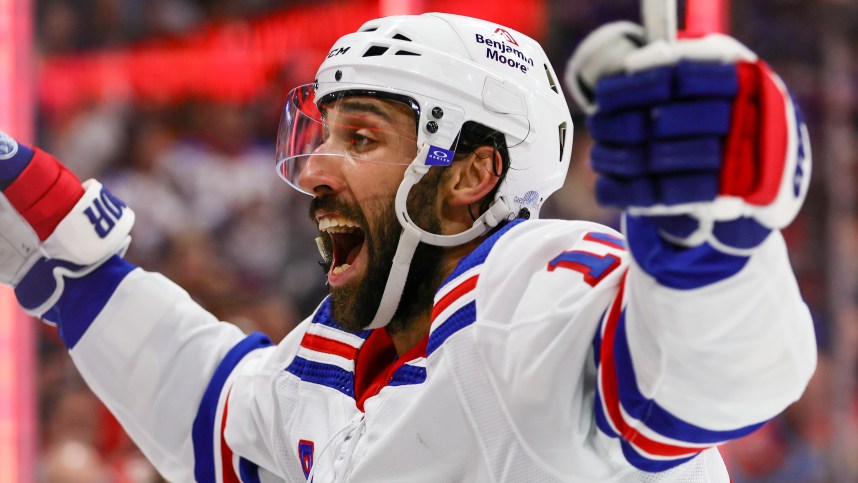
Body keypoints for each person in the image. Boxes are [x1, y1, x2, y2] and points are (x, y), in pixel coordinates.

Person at [0, 11, 815, 482]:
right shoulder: (339, 352)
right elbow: (215, 408)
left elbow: (711, 381)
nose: (315, 166)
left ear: (470, 174)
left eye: (360, 135)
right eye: (321, 132)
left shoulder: (532, 297)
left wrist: (708, 244)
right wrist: (76, 271)